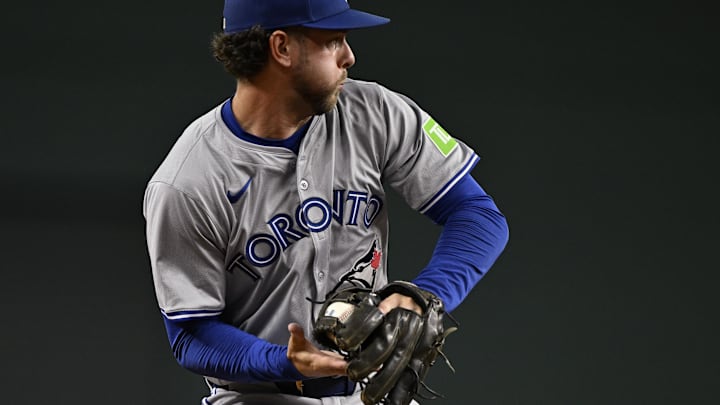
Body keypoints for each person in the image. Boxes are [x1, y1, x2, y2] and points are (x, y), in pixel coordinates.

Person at [143, 0, 509, 404]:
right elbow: (190, 333)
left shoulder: (375, 112)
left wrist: (424, 296)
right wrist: (283, 360)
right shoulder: (187, 181)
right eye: (333, 41)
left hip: (370, 392)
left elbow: (477, 214)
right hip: (259, 395)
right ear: (282, 48)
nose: (349, 56)